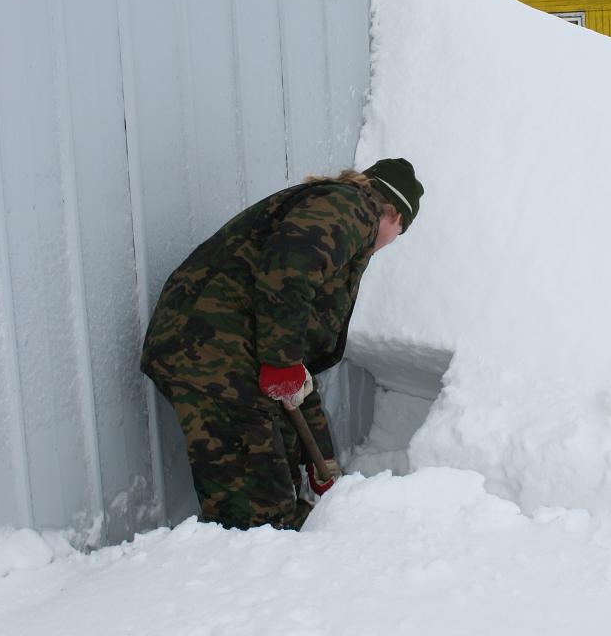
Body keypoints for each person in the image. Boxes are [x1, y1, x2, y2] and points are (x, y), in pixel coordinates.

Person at [140, 158, 424, 531]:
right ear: (396, 218)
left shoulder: (341, 219)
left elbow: (297, 369)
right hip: (211, 348)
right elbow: (288, 270)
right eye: (398, 235)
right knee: (259, 513)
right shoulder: (353, 208)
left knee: (279, 480)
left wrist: (321, 460)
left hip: (228, 350)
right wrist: (281, 362)